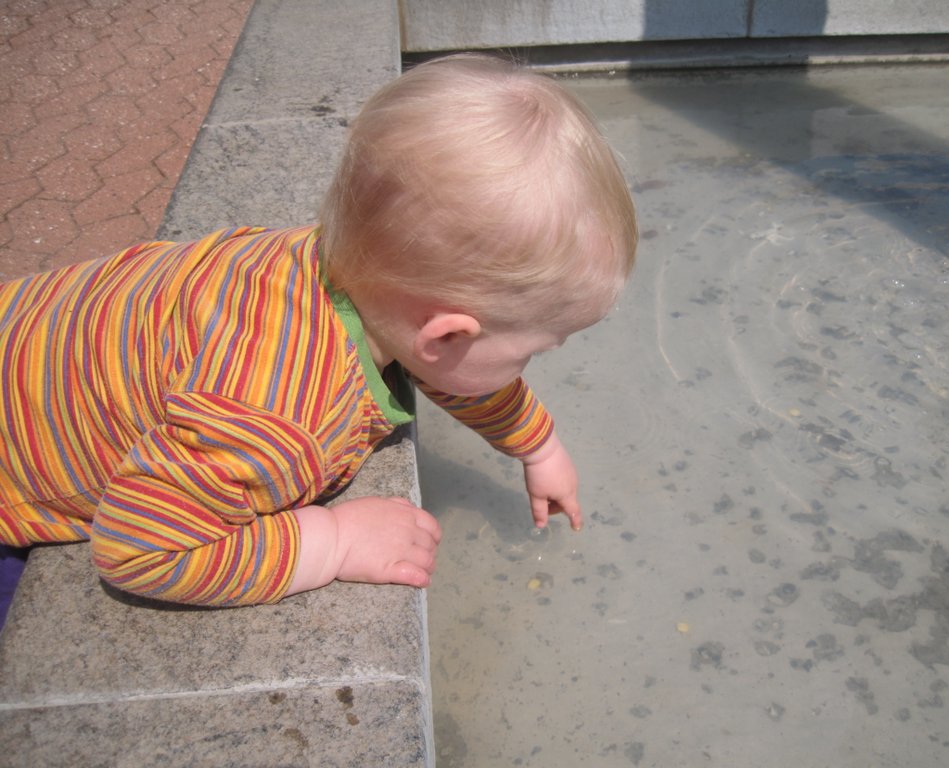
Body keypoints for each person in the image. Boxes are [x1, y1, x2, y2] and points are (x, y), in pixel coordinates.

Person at [0, 54, 638, 609]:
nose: (527, 367)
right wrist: (331, 542)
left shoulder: (336, 266)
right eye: (532, 353)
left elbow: (451, 368)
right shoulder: (281, 419)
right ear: (444, 335)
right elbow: (137, 549)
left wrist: (538, 446)